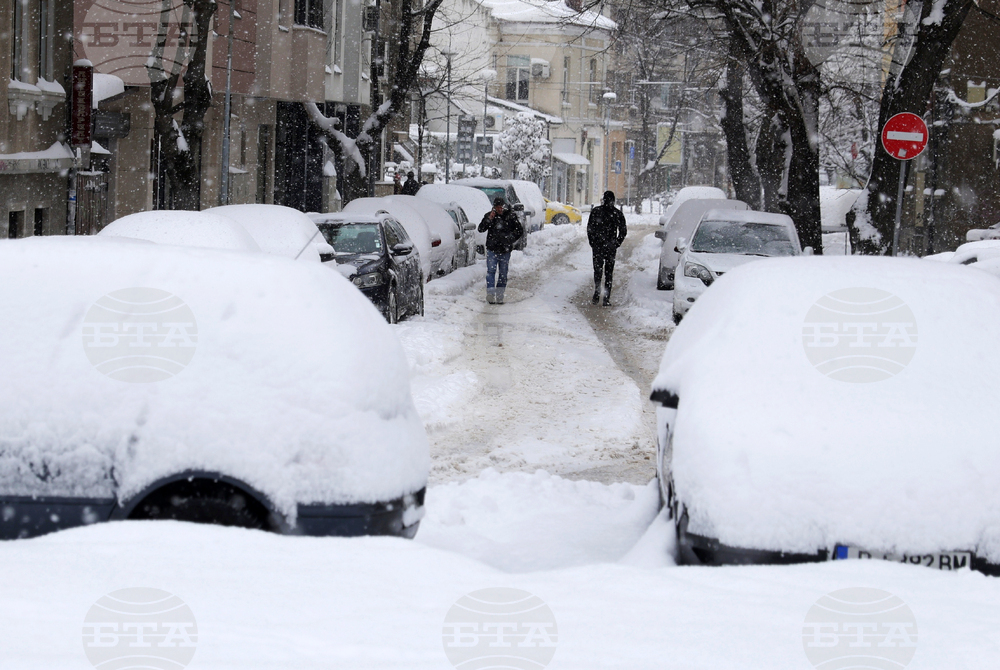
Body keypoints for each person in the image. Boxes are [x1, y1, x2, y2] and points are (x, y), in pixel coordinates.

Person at [478, 197, 524, 304]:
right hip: (492, 249)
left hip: (505, 250)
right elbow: (481, 229)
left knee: (503, 273)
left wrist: (510, 239)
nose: (499, 209)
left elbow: (519, 230)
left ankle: (499, 295)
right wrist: (489, 219)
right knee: (491, 271)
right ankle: (490, 293)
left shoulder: (510, 216)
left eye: (500, 207)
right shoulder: (490, 216)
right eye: (496, 207)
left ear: (504, 206)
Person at [587, 190, 628, 306]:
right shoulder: (617, 214)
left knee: (598, 271)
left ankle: (597, 292)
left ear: (603, 199)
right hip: (610, 247)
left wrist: (593, 242)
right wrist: (617, 243)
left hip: (598, 247)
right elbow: (623, 231)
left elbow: (590, 228)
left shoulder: (596, 211)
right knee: (609, 273)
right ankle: (606, 298)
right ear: (613, 201)